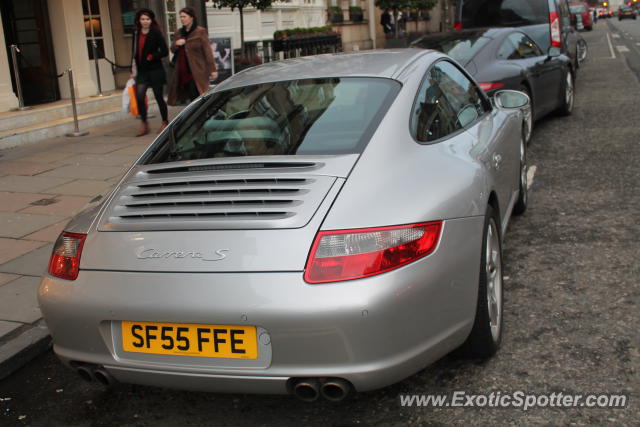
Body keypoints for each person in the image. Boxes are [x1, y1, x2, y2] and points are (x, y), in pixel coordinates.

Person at [168, 7, 218, 106]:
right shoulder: (178, 32)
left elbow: (207, 51)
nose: (182, 19)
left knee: (198, 95)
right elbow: (172, 50)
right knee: (190, 97)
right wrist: (176, 44)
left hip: (197, 70)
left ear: (191, 18)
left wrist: (213, 69)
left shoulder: (200, 31)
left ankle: (202, 116)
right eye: (181, 17)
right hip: (182, 71)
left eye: (184, 17)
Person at [131, 8, 169, 137]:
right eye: (142, 19)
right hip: (142, 71)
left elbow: (164, 51)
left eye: (147, 19)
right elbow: (134, 52)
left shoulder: (156, 33)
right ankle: (144, 122)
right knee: (140, 96)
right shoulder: (136, 33)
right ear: (139, 20)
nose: (145, 21)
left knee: (159, 97)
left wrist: (152, 56)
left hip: (155, 69)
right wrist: (133, 69)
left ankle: (165, 121)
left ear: (151, 20)